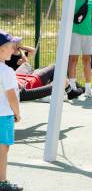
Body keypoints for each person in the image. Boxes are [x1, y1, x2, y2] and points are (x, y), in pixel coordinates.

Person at [0, 31, 23, 191]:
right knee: (3, 148)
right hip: (4, 115)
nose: (14, 49)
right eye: (10, 46)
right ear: (1, 49)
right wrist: (17, 113)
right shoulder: (6, 71)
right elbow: (11, 96)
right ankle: (2, 181)